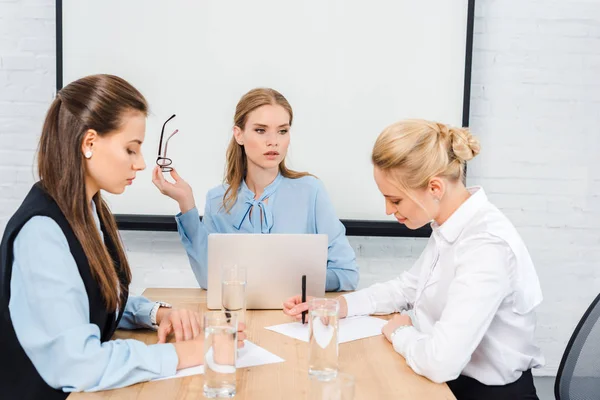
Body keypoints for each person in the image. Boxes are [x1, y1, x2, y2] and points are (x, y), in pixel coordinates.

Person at [0, 74, 244, 399]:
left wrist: (157, 314)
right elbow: (78, 364)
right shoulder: (42, 233)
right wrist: (192, 353)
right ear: (89, 143)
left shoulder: (88, 209)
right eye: (131, 149)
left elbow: (89, 298)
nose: (141, 164)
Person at [283, 119, 544, 399]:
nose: (387, 210)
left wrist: (399, 333)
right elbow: (406, 288)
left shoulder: (485, 246)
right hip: (448, 384)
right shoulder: (450, 226)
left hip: (483, 393)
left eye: (395, 200)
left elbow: (441, 362)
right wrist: (335, 306)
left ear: (434, 188)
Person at [152, 88, 358, 291]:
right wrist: (186, 203)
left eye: (282, 131)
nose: (273, 141)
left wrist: (295, 281)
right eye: (260, 130)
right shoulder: (218, 200)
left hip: (295, 320)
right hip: (240, 320)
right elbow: (208, 280)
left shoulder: (311, 191)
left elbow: (346, 274)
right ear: (239, 135)